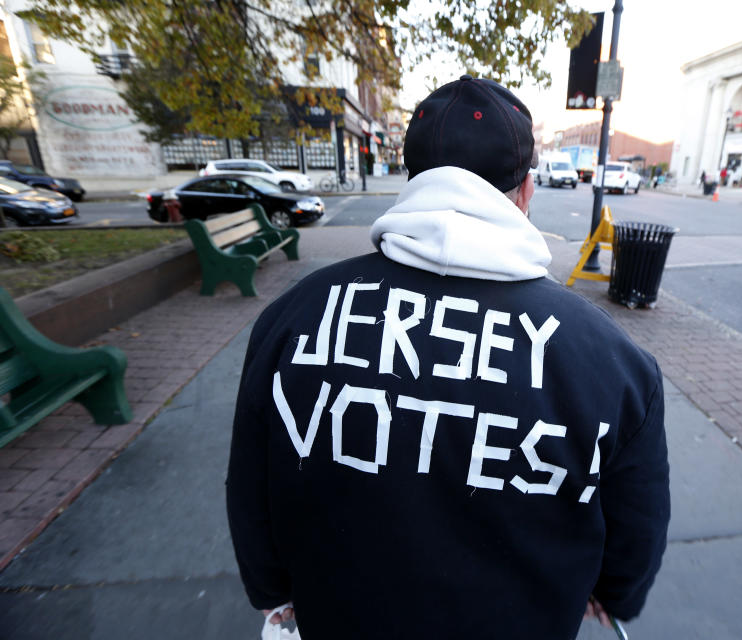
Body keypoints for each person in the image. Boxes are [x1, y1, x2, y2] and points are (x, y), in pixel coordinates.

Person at [226, 75, 670, 640]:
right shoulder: (612, 362)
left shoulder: (292, 320)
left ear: (413, 181)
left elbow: (251, 485)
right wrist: (612, 592)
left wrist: (272, 588)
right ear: (527, 191)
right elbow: (636, 530)